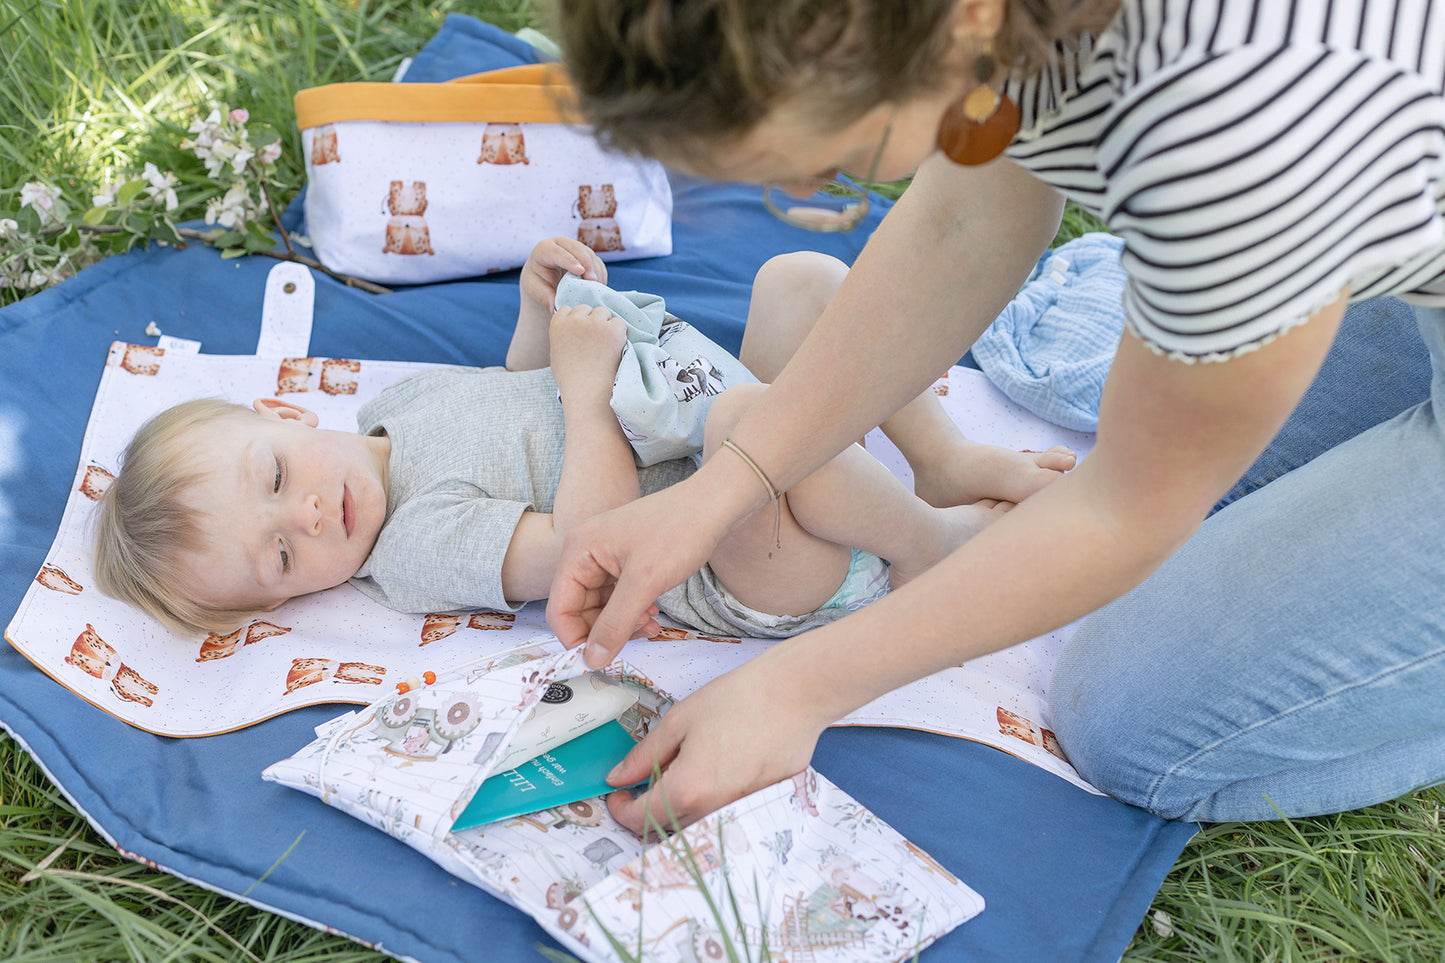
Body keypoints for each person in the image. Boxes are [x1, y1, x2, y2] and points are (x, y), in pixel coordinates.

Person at [543, 0, 1445, 834]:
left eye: (827, 163)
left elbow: (1123, 506)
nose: (811, 191)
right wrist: (725, 485)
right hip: (1378, 160)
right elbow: (964, 220)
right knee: (1233, 488)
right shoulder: (982, 24)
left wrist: (796, 688)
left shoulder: (1235, 137)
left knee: (1130, 725)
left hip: (1313, 150)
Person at [91, 237, 1066, 638]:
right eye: (279, 555)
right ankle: (925, 550)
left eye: (274, 478)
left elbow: (515, 394)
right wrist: (587, 390)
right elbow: (586, 553)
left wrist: (537, 309)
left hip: (716, 423)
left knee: (798, 281)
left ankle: (935, 461)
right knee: (742, 422)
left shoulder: (399, 407)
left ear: (286, 416)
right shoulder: (413, 548)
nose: (306, 516)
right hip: (737, 562)